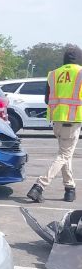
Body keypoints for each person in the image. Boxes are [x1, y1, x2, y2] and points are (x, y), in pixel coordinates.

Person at [27, 45, 82, 203]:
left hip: (57, 120)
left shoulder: (54, 74)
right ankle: (39, 186)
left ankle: (69, 189)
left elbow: (46, 99)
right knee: (64, 155)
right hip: (72, 120)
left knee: (66, 155)